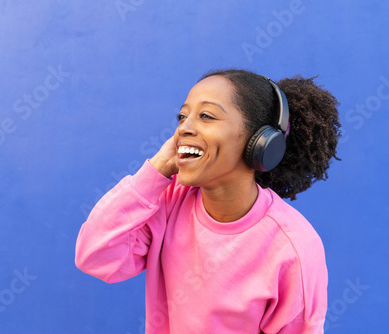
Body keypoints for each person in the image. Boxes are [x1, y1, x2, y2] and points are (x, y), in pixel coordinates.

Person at [75, 69, 341, 333]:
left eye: (206, 116)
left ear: (260, 142)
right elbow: (95, 257)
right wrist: (155, 171)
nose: (184, 128)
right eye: (182, 116)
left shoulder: (293, 247)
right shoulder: (168, 201)